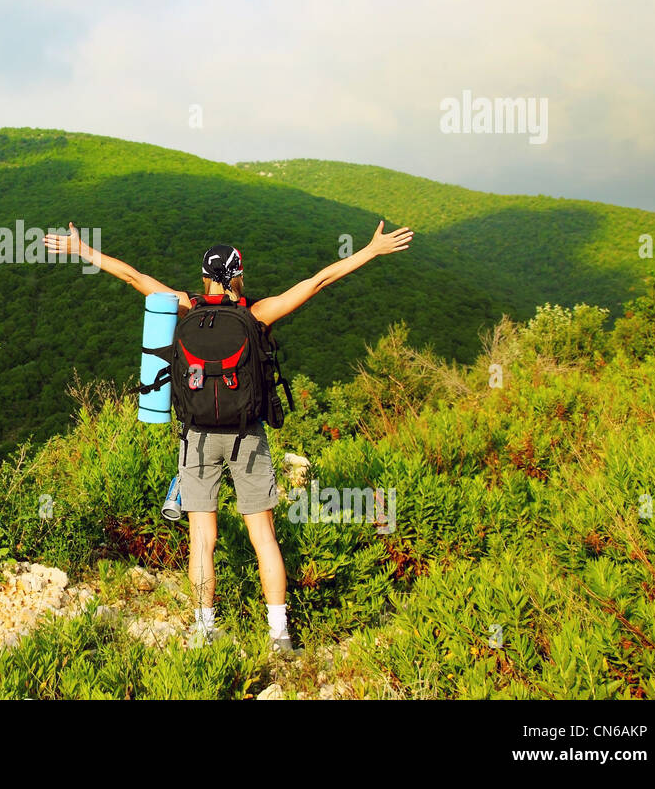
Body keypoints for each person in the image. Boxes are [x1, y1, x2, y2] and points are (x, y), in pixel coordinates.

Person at [43, 220, 414, 651]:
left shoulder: (185, 306)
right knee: (263, 536)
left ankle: (203, 629)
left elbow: (134, 277)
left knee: (203, 537)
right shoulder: (258, 314)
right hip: (247, 436)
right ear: (239, 274)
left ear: (204, 276)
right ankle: (279, 634)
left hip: (197, 437)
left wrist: (83, 250)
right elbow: (318, 281)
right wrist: (370, 250)